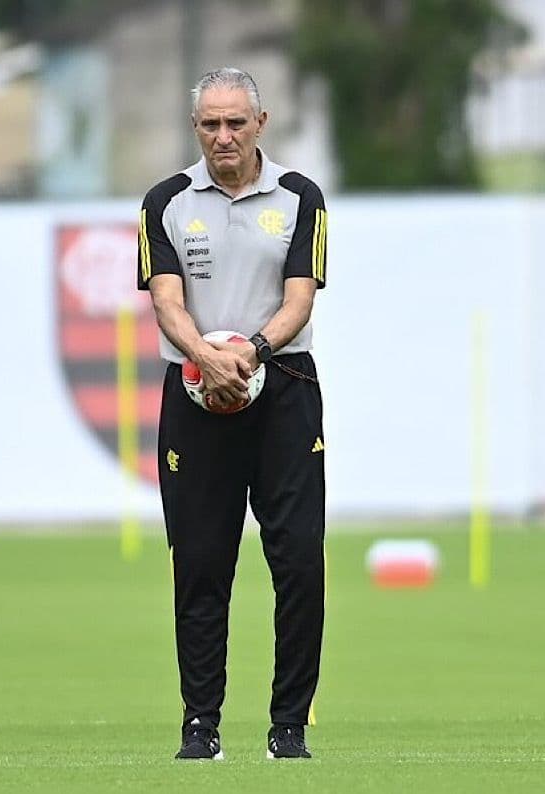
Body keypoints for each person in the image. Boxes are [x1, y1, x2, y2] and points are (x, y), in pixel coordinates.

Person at [137, 67, 327, 761]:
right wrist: (206, 359)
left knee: (300, 561)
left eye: (235, 123)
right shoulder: (165, 201)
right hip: (193, 395)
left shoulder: (300, 197)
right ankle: (200, 726)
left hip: (281, 386)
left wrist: (246, 352)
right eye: (210, 124)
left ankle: (288, 727)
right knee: (200, 564)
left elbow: (300, 296)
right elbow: (165, 300)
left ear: (260, 123)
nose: (223, 135)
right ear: (197, 129)